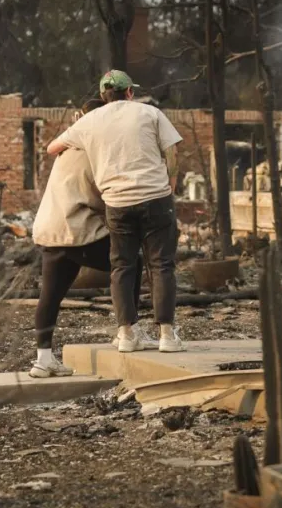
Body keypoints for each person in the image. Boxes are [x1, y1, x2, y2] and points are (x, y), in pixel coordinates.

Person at [47, 70, 184, 353]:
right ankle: (167, 336)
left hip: (118, 203)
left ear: (102, 96)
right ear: (130, 92)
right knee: (161, 265)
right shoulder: (149, 113)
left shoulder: (90, 121)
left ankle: (126, 334)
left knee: (122, 266)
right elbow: (172, 151)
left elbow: (52, 148)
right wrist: (170, 186)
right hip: (156, 198)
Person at [30, 98, 154, 378]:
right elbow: (108, 194)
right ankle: (128, 330)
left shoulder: (69, 146)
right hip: (77, 229)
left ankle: (43, 359)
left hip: (51, 229)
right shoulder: (96, 148)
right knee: (128, 263)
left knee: (50, 295)